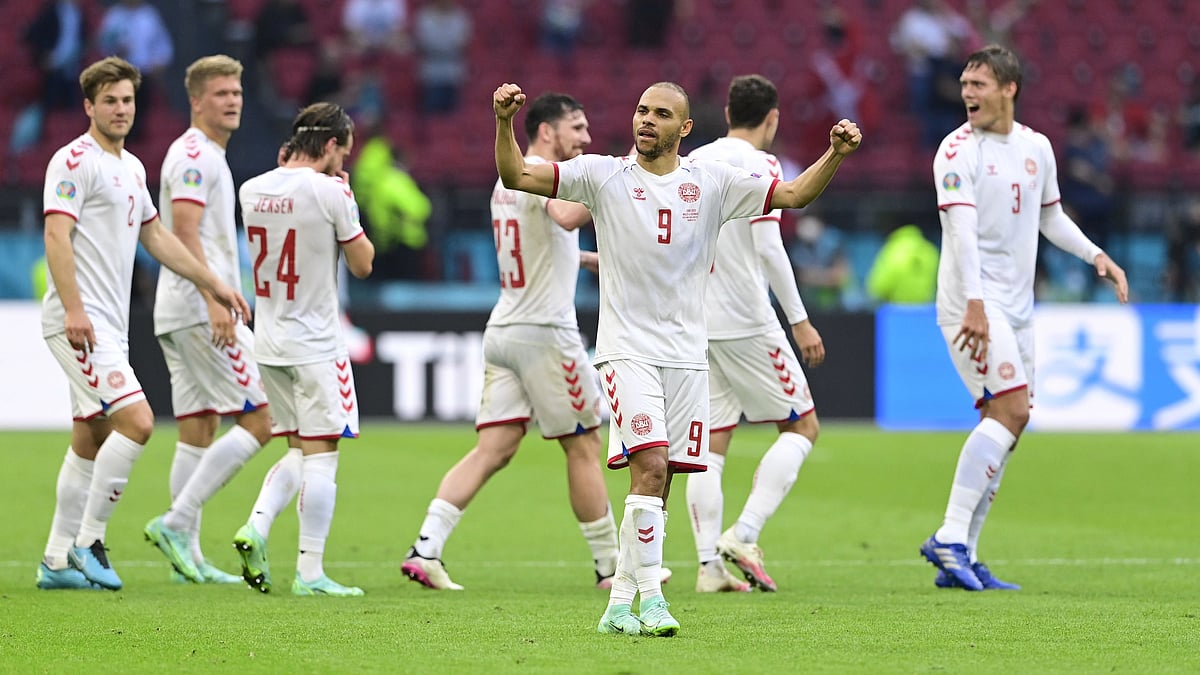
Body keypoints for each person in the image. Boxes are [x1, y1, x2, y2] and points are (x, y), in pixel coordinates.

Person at [493, 80, 861, 636]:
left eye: (661, 114)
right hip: (626, 351)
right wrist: (504, 123)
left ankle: (619, 604)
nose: (646, 120)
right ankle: (653, 601)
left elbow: (792, 196)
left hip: (689, 355)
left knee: (661, 482)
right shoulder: (602, 175)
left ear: (683, 129)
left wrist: (834, 154)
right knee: (652, 465)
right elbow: (518, 175)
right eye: (641, 110)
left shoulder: (709, 182)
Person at [401, 92, 660, 592]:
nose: (586, 138)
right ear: (546, 130)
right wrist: (621, 171)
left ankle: (425, 549)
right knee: (583, 444)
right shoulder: (542, 169)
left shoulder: (512, 179)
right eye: (577, 127)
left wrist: (588, 261)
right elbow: (563, 218)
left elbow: (542, 238)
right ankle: (611, 567)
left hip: (505, 328)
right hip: (545, 332)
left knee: (492, 447)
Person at [36, 56, 251, 591]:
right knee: (138, 422)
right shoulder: (73, 161)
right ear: (88, 106)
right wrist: (74, 308)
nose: (120, 109)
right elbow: (56, 236)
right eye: (109, 101)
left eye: (127, 100)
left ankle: (56, 561)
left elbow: (157, 240)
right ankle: (89, 540)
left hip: (109, 323)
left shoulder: (132, 168)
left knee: (91, 435)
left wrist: (213, 283)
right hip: (78, 321)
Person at [922, 45, 1128, 591]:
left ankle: (962, 550)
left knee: (1010, 421)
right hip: (972, 304)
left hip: (1018, 310)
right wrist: (974, 303)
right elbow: (960, 232)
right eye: (965, 82)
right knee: (1010, 411)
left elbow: (1051, 217)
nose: (968, 92)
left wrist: (1095, 256)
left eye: (979, 84)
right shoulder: (955, 151)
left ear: (1009, 88)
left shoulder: (1036, 147)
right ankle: (948, 536)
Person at [684, 74, 826, 595]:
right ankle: (743, 534)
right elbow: (768, 246)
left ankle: (707, 569)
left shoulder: (693, 160)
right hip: (746, 318)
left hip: (696, 321)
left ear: (726, 112)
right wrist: (800, 319)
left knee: (709, 445)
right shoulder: (763, 164)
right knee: (802, 426)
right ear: (773, 118)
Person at [232, 102, 376, 597]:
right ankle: (310, 572)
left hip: (269, 340)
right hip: (316, 341)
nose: (345, 163)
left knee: (297, 447)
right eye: (344, 152)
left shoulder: (251, 189)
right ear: (332, 144)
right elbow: (362, 264)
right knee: (323, 456)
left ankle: (255, 525)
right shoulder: (329, 190)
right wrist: (347, 198)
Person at [140, 55, 273, 585]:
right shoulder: (196, 155)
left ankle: (186, 558)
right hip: (200, 309)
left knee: (197, 428)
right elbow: (187, 231)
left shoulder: (202, 153)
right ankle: (175, 524)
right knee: (262, 419)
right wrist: (217, 298)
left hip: (179, 308)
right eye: (221, 93)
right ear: (197, 101)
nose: (233, 100)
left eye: (237, 91)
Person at [865, 223, 939, 304]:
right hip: (927, 312)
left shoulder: (892, 250)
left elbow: (878, 288)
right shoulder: (931, 250)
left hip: (896, 311)